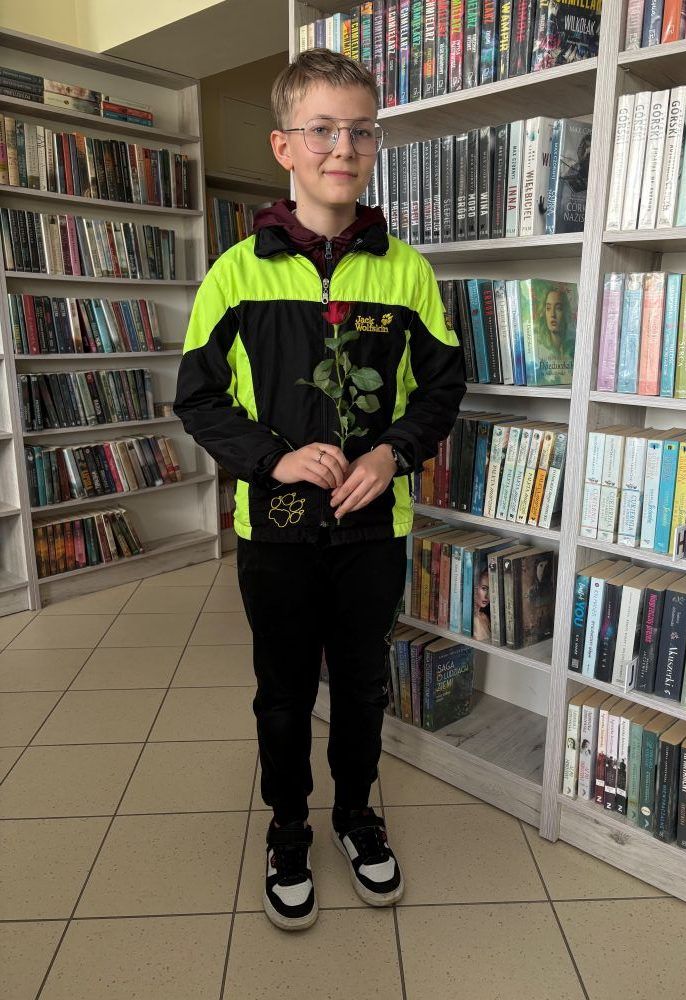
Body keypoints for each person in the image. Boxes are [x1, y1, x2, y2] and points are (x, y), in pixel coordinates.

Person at [174, 48, 465, 931]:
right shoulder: (236, 273)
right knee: (284, 690)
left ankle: (355, 814)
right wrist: (273, 458)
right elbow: (199, 398)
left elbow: (443, 388)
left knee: (365, 685)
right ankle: (289, 826)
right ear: (284, 146)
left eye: (362, 131)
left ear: (375, 145)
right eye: (323, 129)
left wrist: (391, 456)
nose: (344, 147)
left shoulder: (406, 272)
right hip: (275, 530)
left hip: (374, 528)